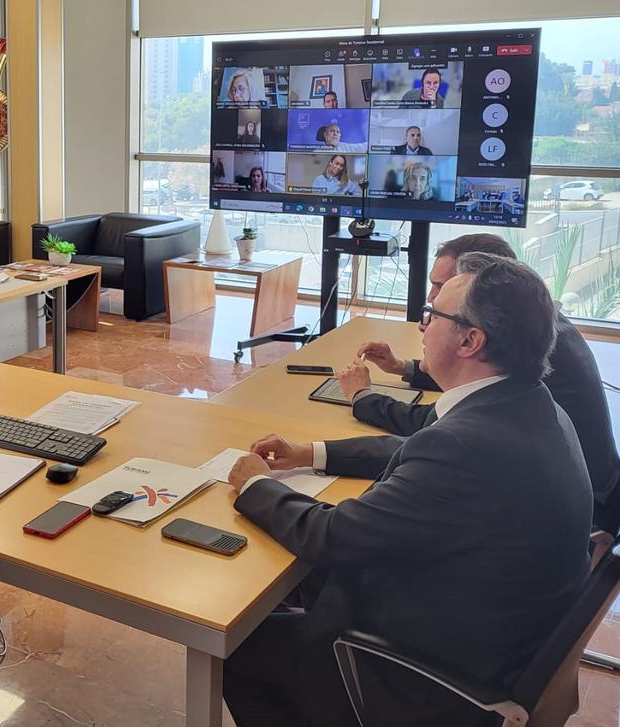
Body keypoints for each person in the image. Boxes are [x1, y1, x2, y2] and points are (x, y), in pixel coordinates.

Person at [223, 253, 593, 726]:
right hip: (494, 637)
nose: (422, 325)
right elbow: (417, 444)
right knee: (292, 590)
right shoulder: (524, 403)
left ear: (470, 340)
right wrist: (311, 452)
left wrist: (252, 482)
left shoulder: (464, 446)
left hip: (425, 681)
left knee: (241, 644)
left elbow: (332, 536)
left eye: (433, 313)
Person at [344, 233, 620, 512]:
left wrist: (363, 397)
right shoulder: (531, 328)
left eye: (445, 287)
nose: (431, 299)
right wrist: (406, 367)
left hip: (589, 511)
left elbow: (431, 426)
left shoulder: (529, 347)